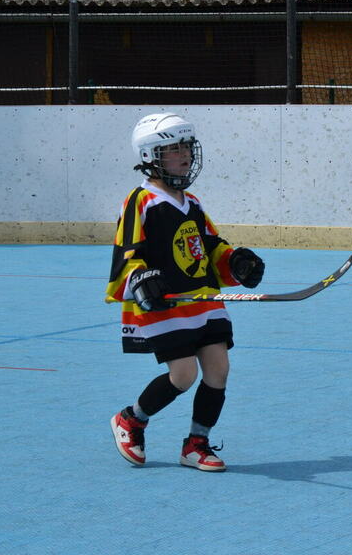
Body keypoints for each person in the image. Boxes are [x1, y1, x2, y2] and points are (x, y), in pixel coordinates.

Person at [105, 113, 265, 470]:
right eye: (175, 149)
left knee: (218, 369)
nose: (186, 156)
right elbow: (127, 253)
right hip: (167, 305)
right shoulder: (141, 201)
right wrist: (141, 280)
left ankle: (196, 444)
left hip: (203, 299)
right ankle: (132, 419)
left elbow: (209, 246)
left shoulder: (192, 202)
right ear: (150, 156)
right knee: (183, 375)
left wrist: (234, 262)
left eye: (187, 148)